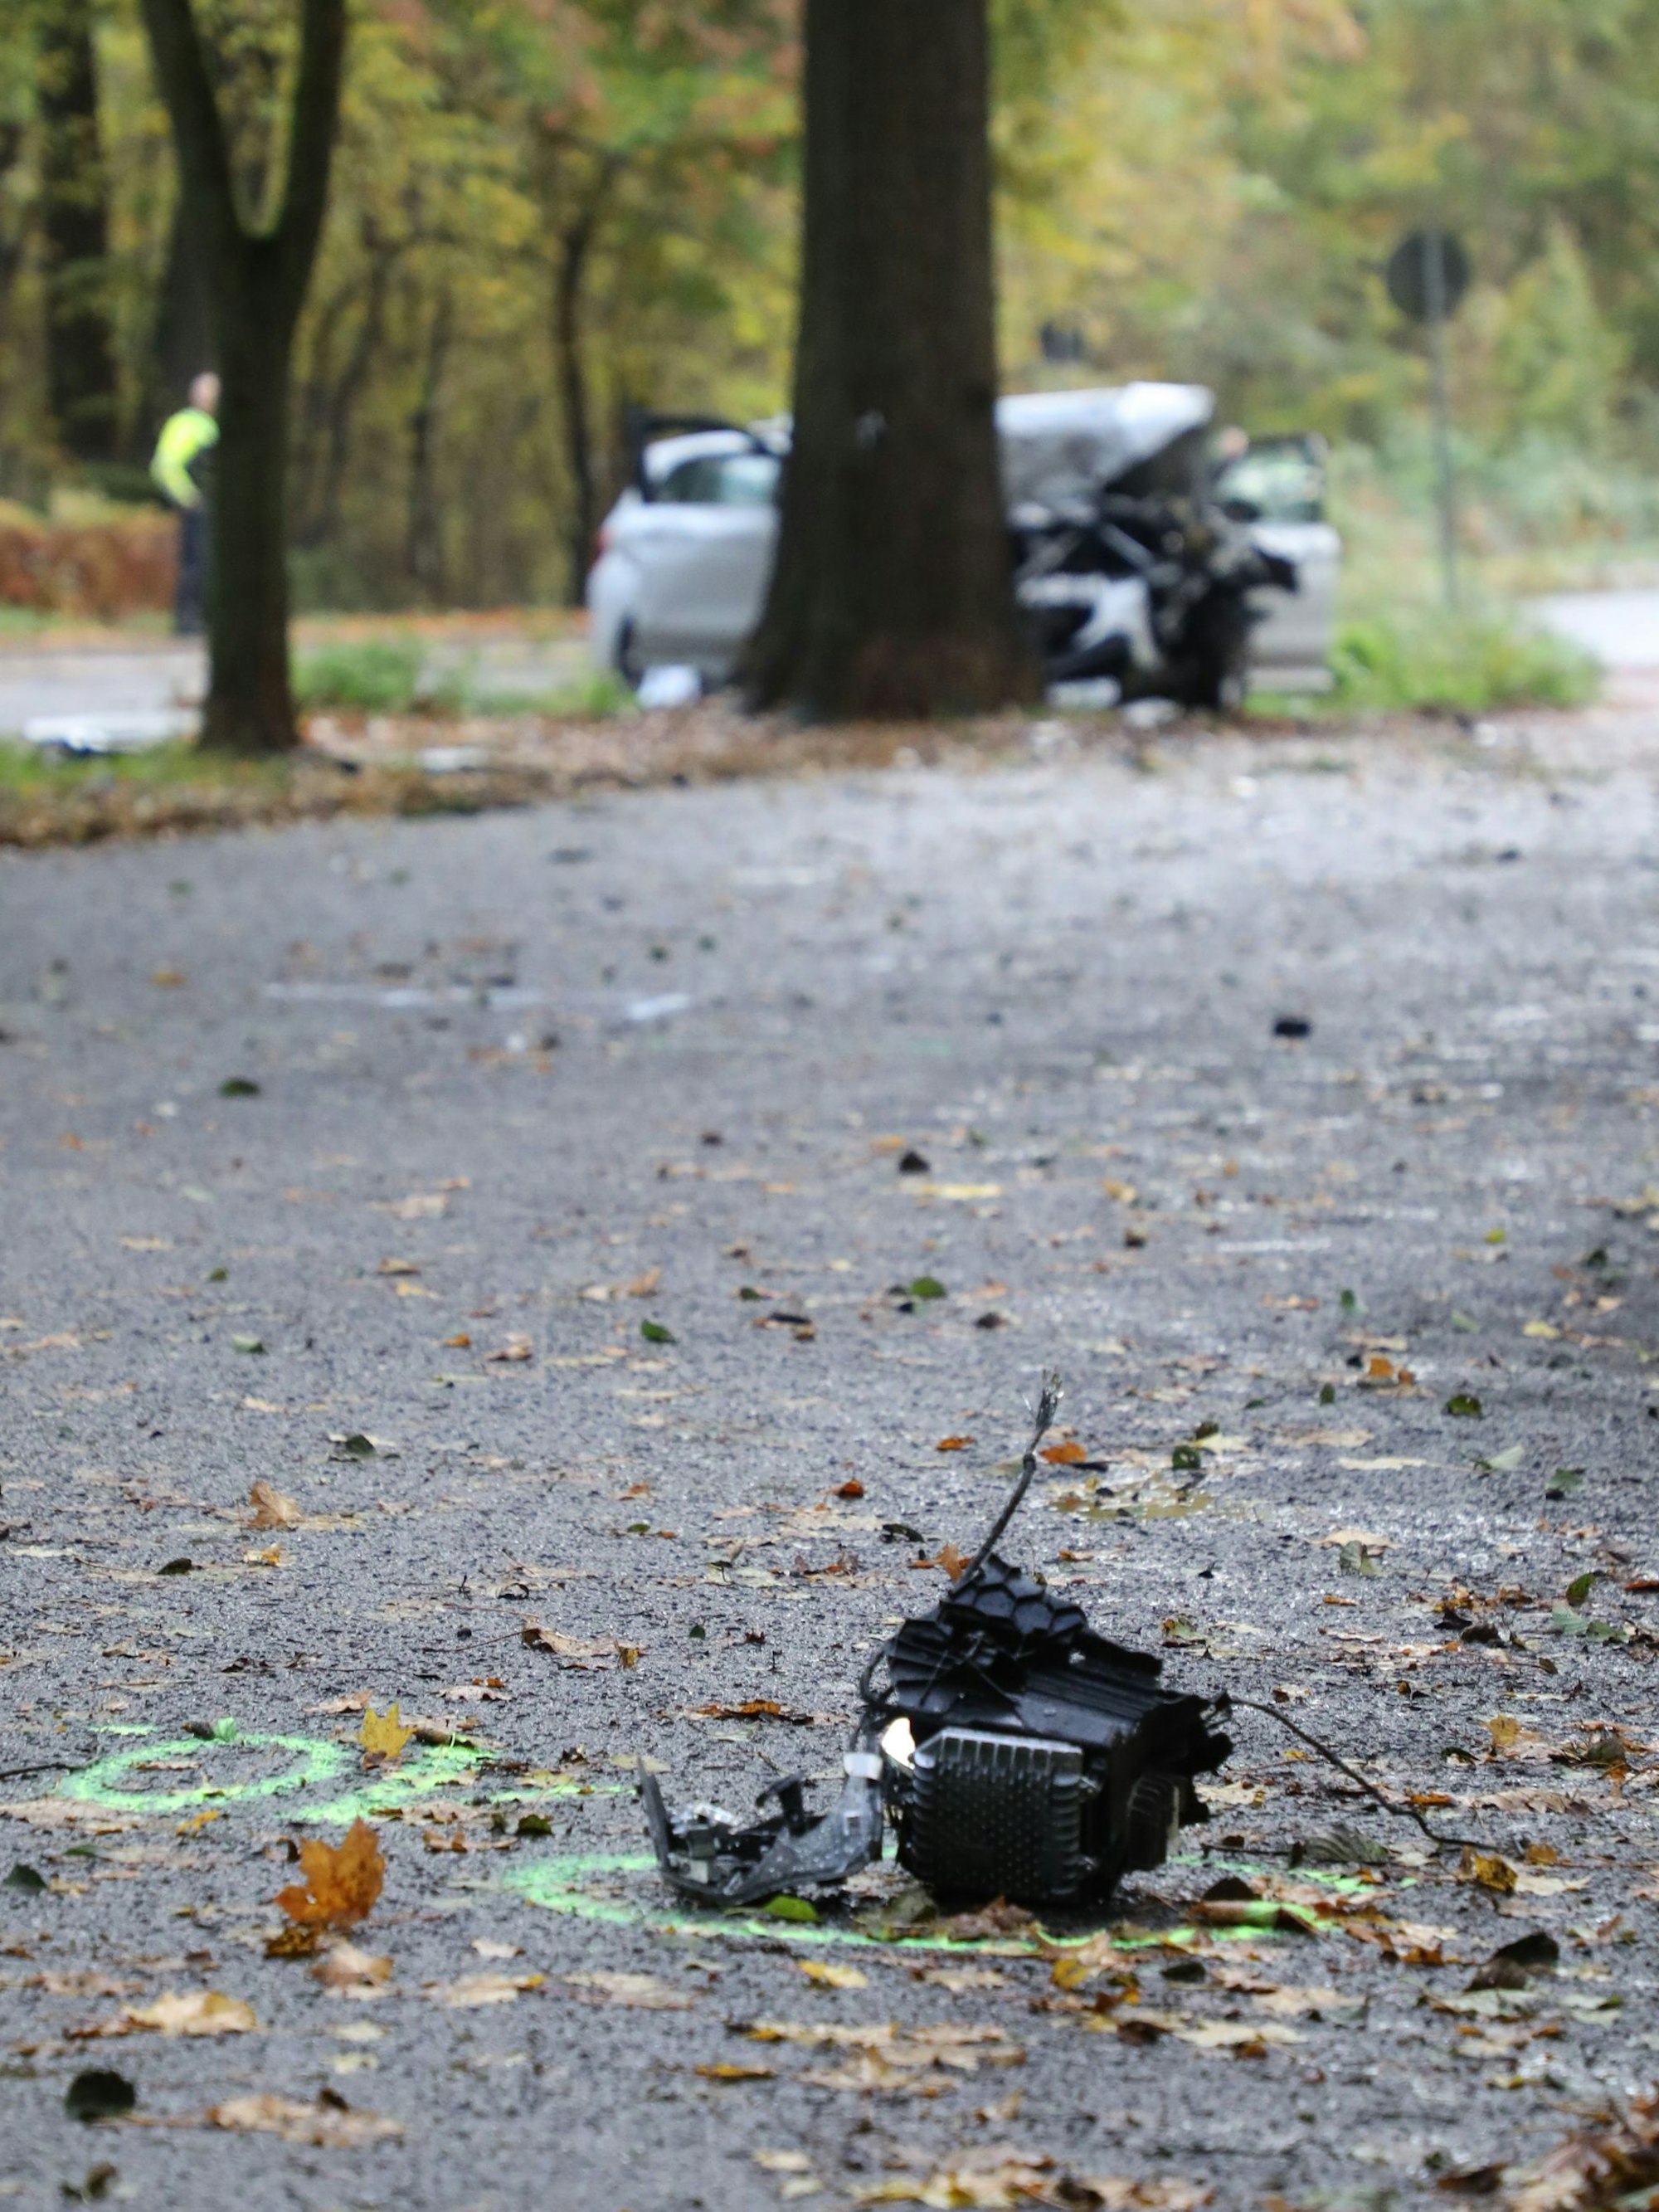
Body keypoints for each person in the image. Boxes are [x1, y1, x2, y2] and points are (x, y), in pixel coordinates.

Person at [150, 372, 220, 636]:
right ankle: (188, 621)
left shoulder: (211, 425)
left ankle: (206, 619)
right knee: (195, 564)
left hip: (212, 508)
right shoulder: (185, 424)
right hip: (197, 508)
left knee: (208, 564)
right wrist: (189, 498)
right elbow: (165, 466)